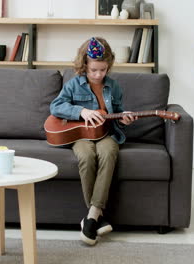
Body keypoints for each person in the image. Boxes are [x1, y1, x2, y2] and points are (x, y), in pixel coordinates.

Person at [50, 37, 137, 246]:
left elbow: (117, 112)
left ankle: (92, 215)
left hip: (107, 133)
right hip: (80, 135)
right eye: (94, 70)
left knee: (108, 152)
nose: (99, 75)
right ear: (84, 66)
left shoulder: (113, 86)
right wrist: (82, 110)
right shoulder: (73, 84)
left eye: (103, 70)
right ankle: (97, 218)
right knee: (87, 156)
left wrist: (123, 119)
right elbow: (56, 107)